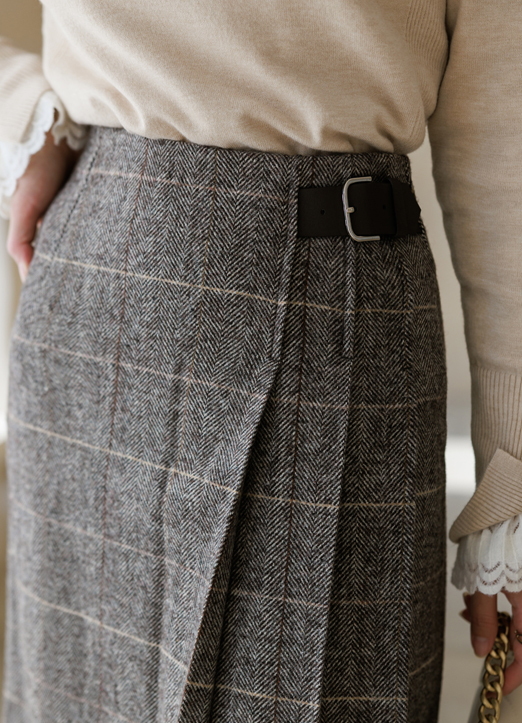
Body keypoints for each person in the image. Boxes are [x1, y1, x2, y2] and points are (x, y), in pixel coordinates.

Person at [1, 1, 522, 721]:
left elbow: (503, 124)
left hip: (341, 299)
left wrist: (510, 475)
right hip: (107, 269)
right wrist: (24, 119)